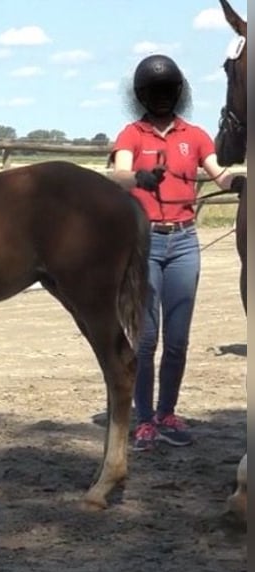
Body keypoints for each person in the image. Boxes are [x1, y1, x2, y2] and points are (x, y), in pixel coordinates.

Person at [109, 54, 245, 451]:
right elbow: (117, 175)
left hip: (185, 242)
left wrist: (235, 181)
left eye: (168, 91)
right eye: (156, 92)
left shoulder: (196, 135)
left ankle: (168, 412)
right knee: (147, 338)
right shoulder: (132, 134)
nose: (163, 98)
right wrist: (139, 177)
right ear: (143, 96)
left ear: (178, 93)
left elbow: (217, 171)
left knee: (178, 339)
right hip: (145, 242)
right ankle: (145, 419)